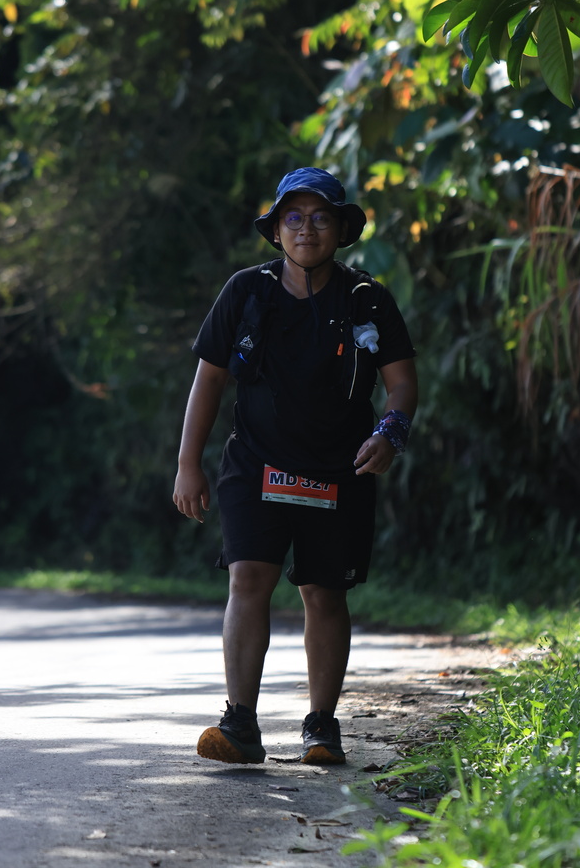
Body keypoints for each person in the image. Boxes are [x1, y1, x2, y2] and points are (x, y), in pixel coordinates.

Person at [173, 167, 417, 766]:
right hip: (256, 463)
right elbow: (209, 380)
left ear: (341, 230)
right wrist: (187, 464)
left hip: (340, 469)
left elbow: (401, 383)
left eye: (321, 217)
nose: (307, 229)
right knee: (247, 579)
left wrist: (390, 433)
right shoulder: (246, 293)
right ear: (277, 229)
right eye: (294, 218)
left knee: (323, 593)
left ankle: (322, 727)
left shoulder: (367, 300)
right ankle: (240, 724)